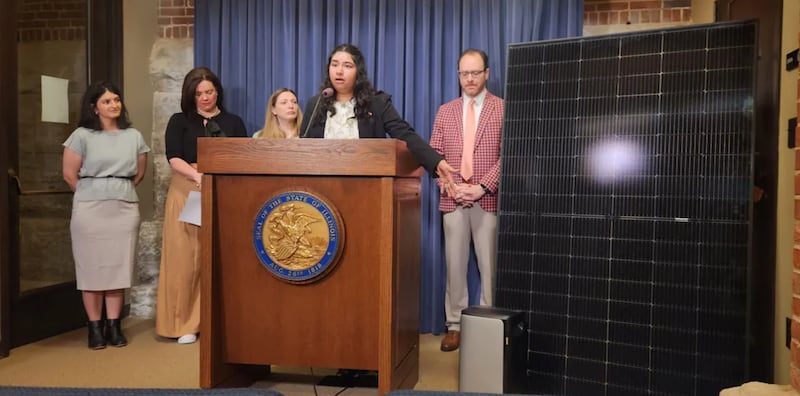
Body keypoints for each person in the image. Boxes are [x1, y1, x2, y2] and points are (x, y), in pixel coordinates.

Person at [157, 67, 248, 344]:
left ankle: (220, 324)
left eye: (209, 92)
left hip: (225, 190)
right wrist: (198, 176)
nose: (205, 98)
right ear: (190, 95)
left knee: (223, 257)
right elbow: (173, 157)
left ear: (217, 91)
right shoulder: (179, 121)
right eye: (198, 94)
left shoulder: (233, 122)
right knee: (187, 259)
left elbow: (243, 155)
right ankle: (184, 324)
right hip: (189, 190)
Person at [62, 81, 150, 350]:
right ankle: (94, 328)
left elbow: (139, 173)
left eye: (116, 100)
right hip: (89, 208)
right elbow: (69, 174)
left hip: (123, 206)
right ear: (94, 107)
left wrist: (115, 189)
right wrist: (94, 192)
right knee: (91, 269)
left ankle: (114, 326)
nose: (114, 105)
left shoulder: (133, 136)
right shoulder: (81, 135)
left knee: (117, 267)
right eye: (107, 101)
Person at [430, 49, 504, 352]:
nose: (469, 79)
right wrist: (451, 186)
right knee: (455, 266)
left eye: (475, 72)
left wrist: (483, 187)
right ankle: (455, 325)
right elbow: (434, 156)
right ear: (458, 75)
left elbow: (509, 155)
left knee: (490, 267)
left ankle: (488, 323)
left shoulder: (503, 108)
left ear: (487, 73)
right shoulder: (445, 111)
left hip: (488, 199)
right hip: (454, 200)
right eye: (464, 73)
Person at [299, 43, 456, 182]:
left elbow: (405, 134)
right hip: (322, 187)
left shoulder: (376, 103)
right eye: (334, 65)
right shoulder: (316, 104)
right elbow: (304, 148)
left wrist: (436, 162)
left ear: (358, 72)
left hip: (366, 186)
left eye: (347, 66)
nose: (339, 71)